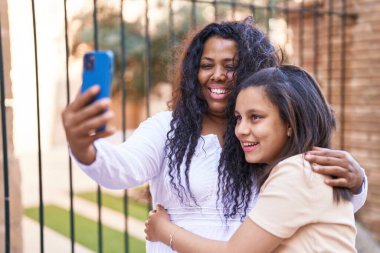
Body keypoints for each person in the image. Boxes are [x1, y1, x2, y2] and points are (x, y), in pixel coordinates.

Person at [62, 18, 366, 252]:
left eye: (230, 66)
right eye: (206, 65)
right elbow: (120, 170)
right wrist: (84, 146)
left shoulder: (271, 139)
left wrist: (356, 182)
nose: (217, 75)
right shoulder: (167, 128)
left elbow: (316, 204)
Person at [145, 65, 358, 252]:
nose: (241, 130)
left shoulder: (298, 173)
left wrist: (164, 231)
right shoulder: (308, 169)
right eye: (238, 118)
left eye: (255, 117)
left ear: (291, 123)